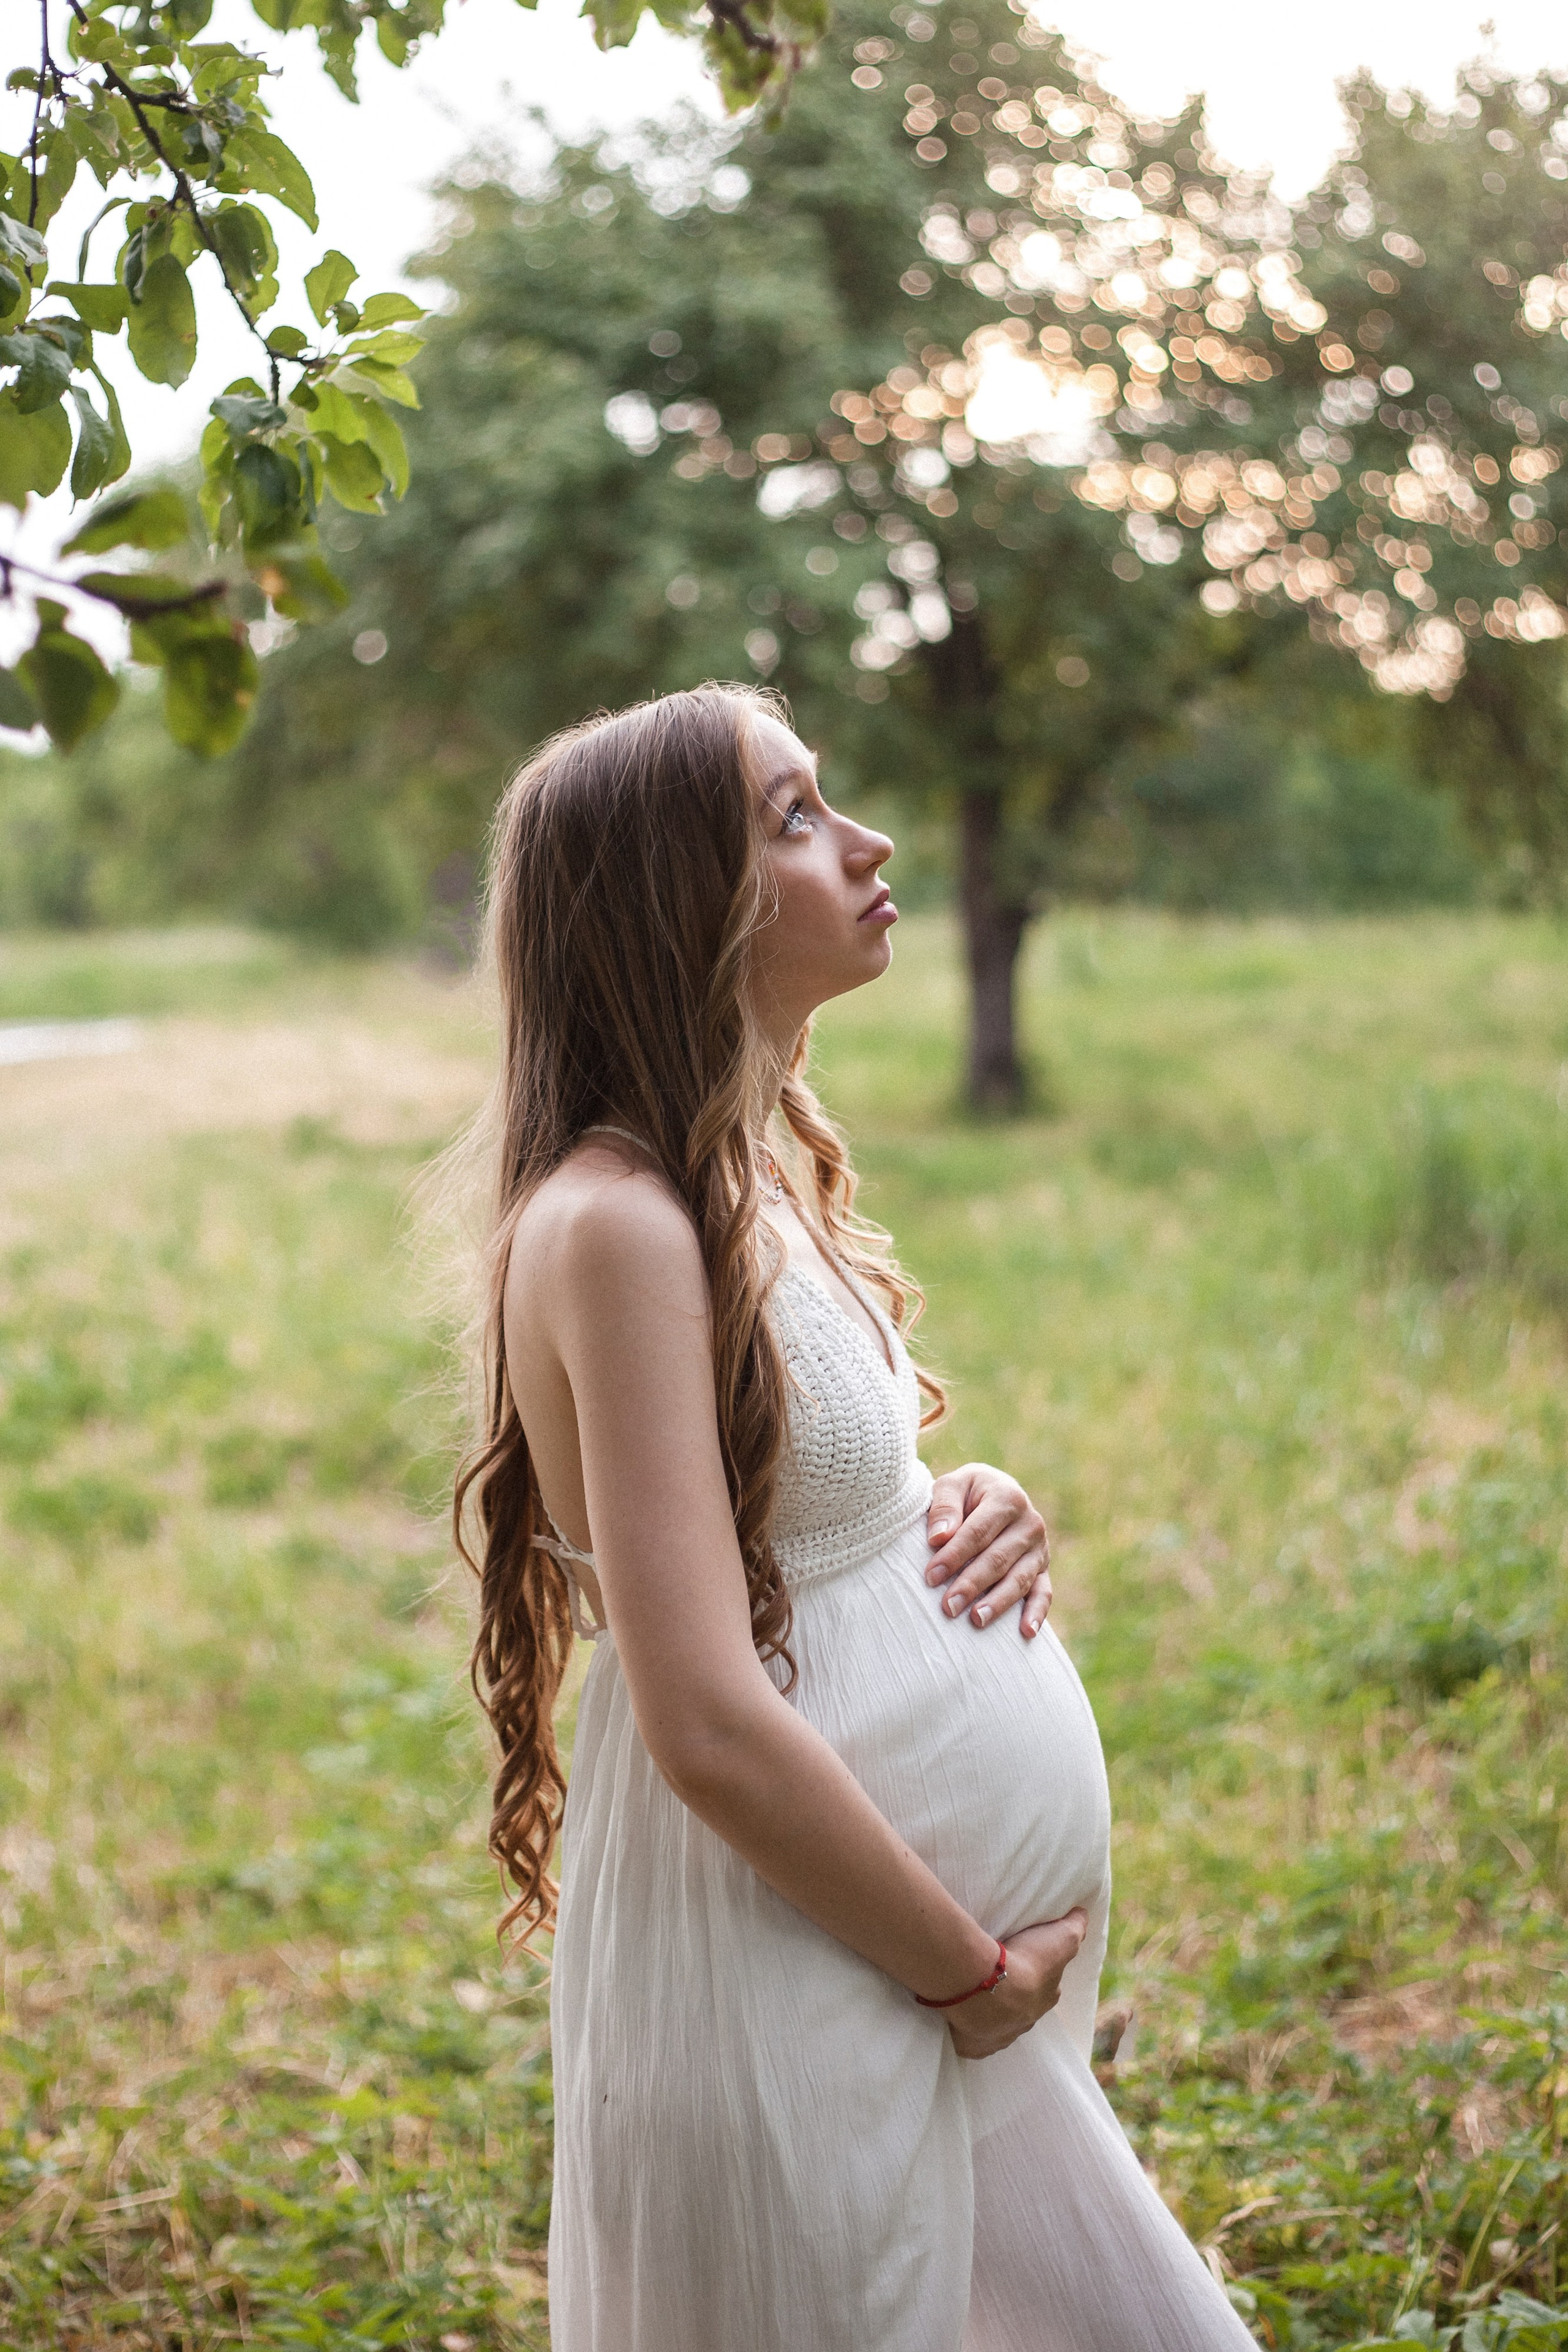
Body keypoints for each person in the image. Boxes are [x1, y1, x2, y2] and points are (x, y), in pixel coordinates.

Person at [455, 685, 1255, 2350]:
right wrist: (962, 1975)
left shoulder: (742, 1173)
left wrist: (958, 1498)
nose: (870, 841)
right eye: (797, 816)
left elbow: (803, 1501)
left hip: (903, 1974)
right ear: (684, 900)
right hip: (811, 1959)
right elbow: (704, 1720)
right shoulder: (618, 1226)